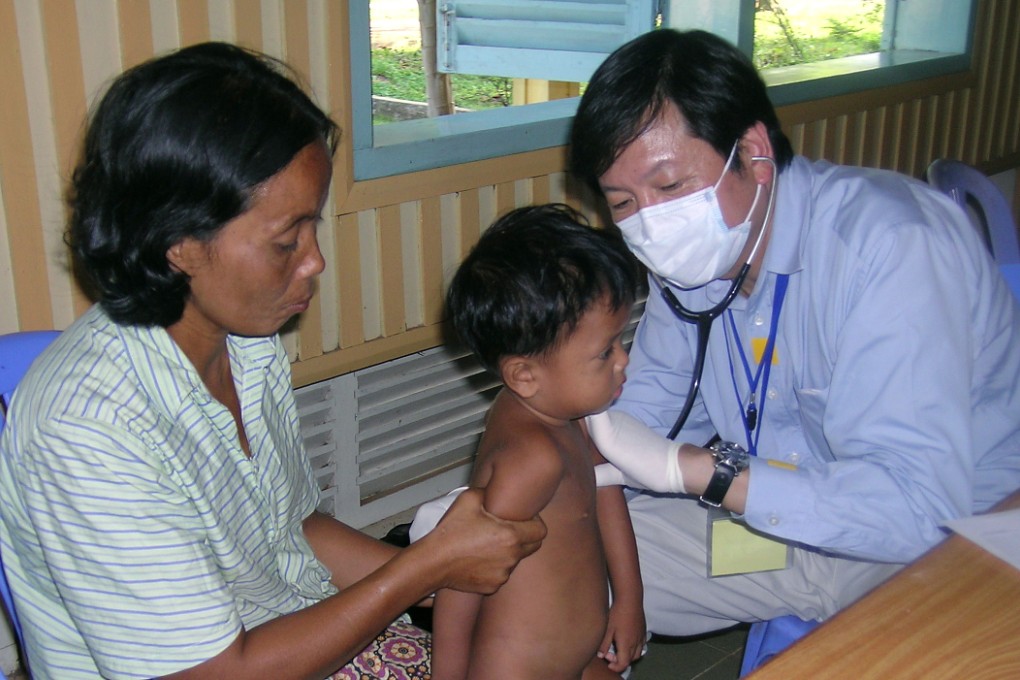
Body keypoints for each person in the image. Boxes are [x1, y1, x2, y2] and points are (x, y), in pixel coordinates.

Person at [0, 42, 546, 679]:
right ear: (178, 244)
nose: (314, 261)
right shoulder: (88, 432)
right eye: (287, 240)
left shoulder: (246, 342)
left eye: (312, 227)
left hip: (290, 632)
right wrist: (427, 568)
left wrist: (447, 577)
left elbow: (294, 528)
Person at [568, 29, 1020, 637]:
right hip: (783, 523)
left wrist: (703, 473)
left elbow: (914, 507)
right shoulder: (699, 259)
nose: (650, 221)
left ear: (754, 152)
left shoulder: (890, 244)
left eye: (670, 187)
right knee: (551, 570)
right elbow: (648, 410)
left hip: (950, 537)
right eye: (622, 202)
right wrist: (515, 489)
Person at [429, 204, 646, 679]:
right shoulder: (533, 459)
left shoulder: (570, 415)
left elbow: (606, 492)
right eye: (605, 351)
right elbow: (461, 577)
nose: (623, 360)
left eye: (621, 341)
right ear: (525, 375)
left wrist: (629, 600)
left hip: (573, 659)